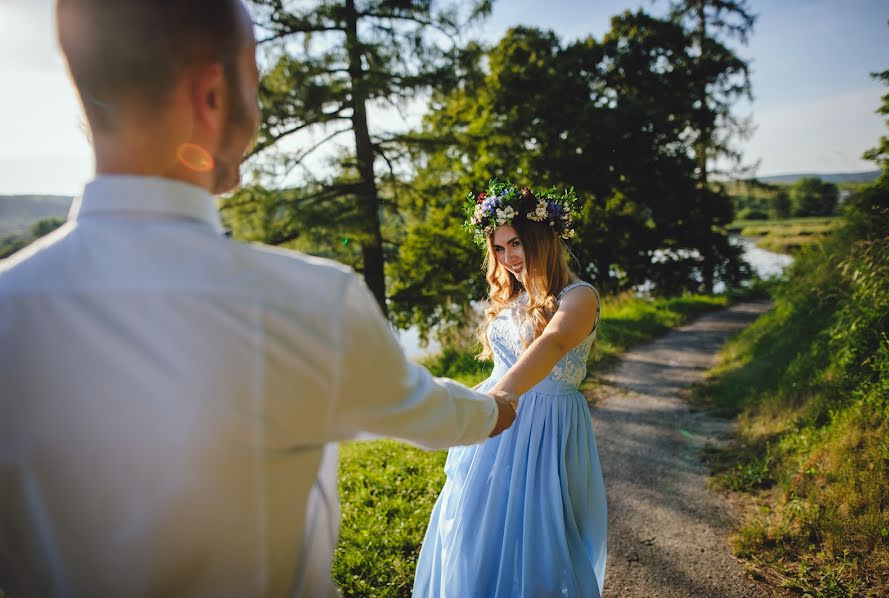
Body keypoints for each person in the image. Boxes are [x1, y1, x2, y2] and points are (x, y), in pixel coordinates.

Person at [0, 1, 518, 596]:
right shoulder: (311, 303)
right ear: (214, 96)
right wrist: (498, 409)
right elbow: (428, 411)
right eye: (256, 85)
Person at [413, 181, 608, 597]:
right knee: (475, 526)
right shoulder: (515, 298)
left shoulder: (579, 297)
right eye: (499, 249)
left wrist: (504, 396)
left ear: (541, 237)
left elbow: (552, 344)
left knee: (542, 536)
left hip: (546, 427)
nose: (508, 258)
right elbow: (504, 363)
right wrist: (472, 401)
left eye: (516, 243)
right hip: (498, 425)